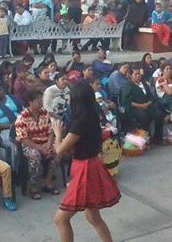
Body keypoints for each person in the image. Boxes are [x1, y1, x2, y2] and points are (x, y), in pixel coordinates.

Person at [51, 81, 121, 242]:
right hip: (92, 164)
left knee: (61, 219)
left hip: (85, 169)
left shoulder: (80, 122)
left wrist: (57, 133)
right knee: (93, 217)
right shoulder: (92, 115)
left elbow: (59, 150)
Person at [15, 88, 60, 200]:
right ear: (30, 101)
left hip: (45, 143)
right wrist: (40, 148)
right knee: (35, 156)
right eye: (38, 99)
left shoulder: (44, 113)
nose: (41, 101)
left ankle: (48, 182)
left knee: (58, 150)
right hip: (30, 145)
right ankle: (33, 186)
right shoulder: (22, 117)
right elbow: (23, 139)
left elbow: (50, 131)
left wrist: (49, 145)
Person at [119, 66, 165, 143]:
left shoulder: (144, 84)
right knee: (144, 117)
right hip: (135, 108)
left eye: (139, 74)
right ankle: (147, 140)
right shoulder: (127, 86)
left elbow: (151, 96)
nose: (138, 76)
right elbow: (126, 101)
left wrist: (148, 103)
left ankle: (158, 138)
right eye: (136, 74)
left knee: (159, 114)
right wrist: (140, 106)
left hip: (147, 106)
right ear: (130, 75)